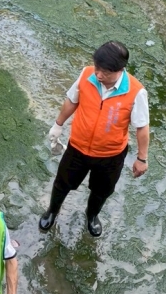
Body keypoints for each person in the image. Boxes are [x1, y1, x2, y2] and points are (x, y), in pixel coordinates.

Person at [40, 40, 150, 237]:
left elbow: (141, 127)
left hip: (110, 155)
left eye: (105, 72)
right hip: (77, 148)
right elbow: (71, 100)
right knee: (61, 183)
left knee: (101, 191)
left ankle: (91, 216)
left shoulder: (136, 92)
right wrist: (58, 125)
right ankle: (52, 211)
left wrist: (142, 158)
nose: (99, 75)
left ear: (120, 69)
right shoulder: (86, 75)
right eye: (97, 68)